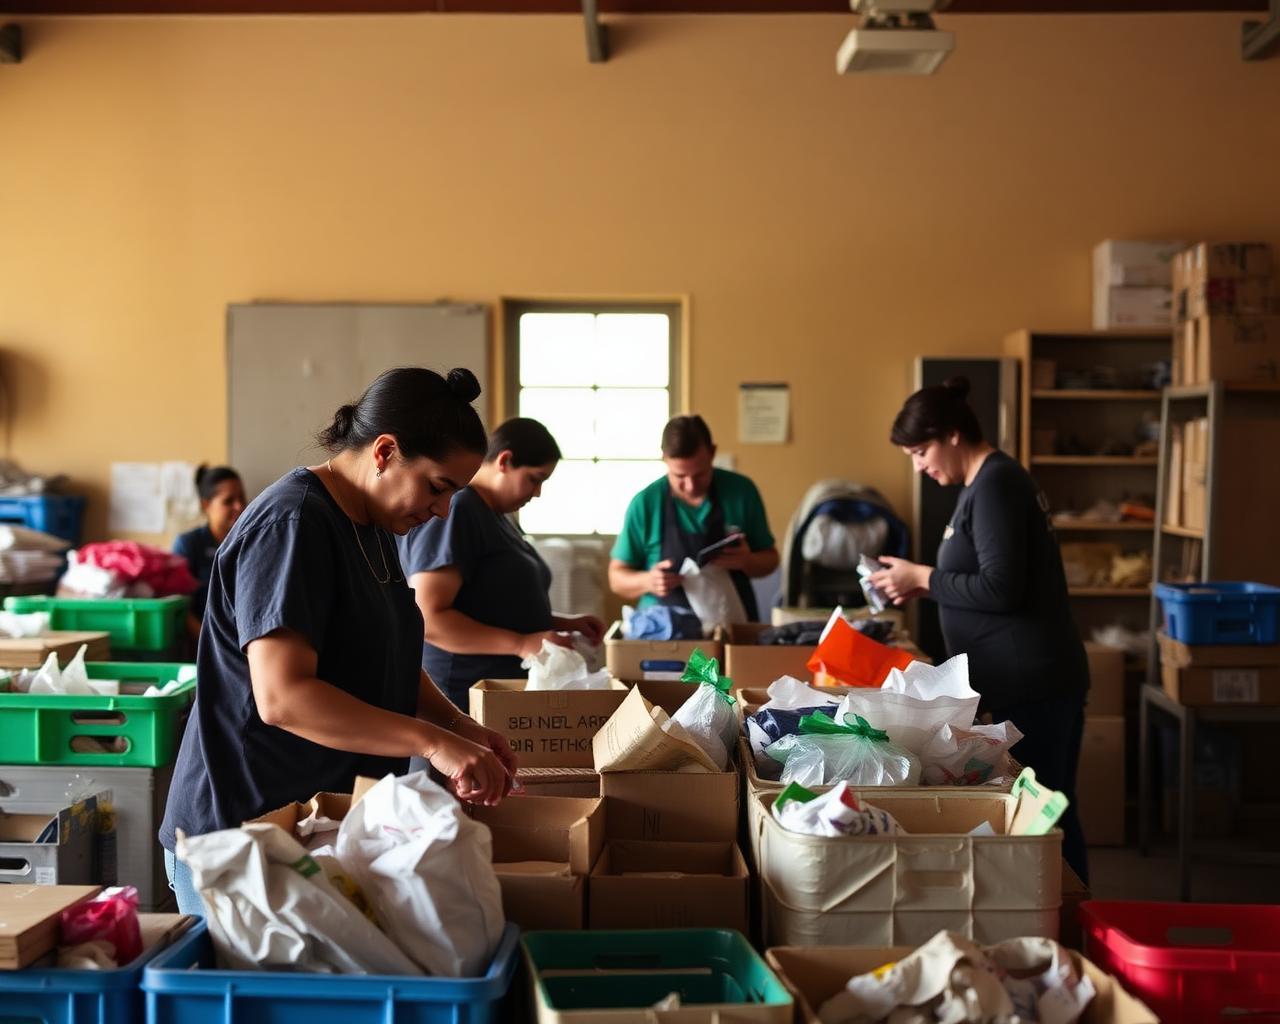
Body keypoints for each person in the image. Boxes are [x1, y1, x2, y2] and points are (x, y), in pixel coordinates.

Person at [159, 367, 518, 915]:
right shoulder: (293, 524)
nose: (442, 511)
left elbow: (388, 660)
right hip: (241, 834)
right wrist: (431, 742)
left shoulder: (370, 523)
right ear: (385, 452)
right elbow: (283, 698)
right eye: (437, 487)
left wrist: (459, 726)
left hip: (311, 826)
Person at [869, 377, 1090, 882]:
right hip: (1019, 682)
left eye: (920, 452)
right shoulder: (983, 485)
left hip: (1034, 685)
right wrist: (922, 586)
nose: (919, 466)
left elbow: (1001, 589)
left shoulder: (996, 485)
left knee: (1045, 815)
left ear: (952, 435)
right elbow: (989, 581)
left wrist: (924, 577)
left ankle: (1070, 916)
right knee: (1038, 812)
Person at [397, 417, 605, 711]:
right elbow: (429, 617)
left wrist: (561, 623)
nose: (537, 492)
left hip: (497, 693)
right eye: (534, 479)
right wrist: (521, 643)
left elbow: (493, 604)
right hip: (462, 696)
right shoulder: (460, 510)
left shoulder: (498, 516)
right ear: (505, 461)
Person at [609, 414, 779, 621]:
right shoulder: (645, 503)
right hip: (664, 629)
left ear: (712, 453)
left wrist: (747, 561)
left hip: (732, 625)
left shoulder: (741, 492)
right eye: (679, 476)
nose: (690, 486)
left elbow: (771, 560)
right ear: (665, 459)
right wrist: (647, 581)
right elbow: (616, 578)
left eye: (700, 474)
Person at [173, 465, 248, 642]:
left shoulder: (251, 541)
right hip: (204, 644)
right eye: (228, 501)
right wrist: (211, 644)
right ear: (206, 505)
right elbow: (181, 607)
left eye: (241, 498)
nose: (239, 506)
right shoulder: (188, 544)